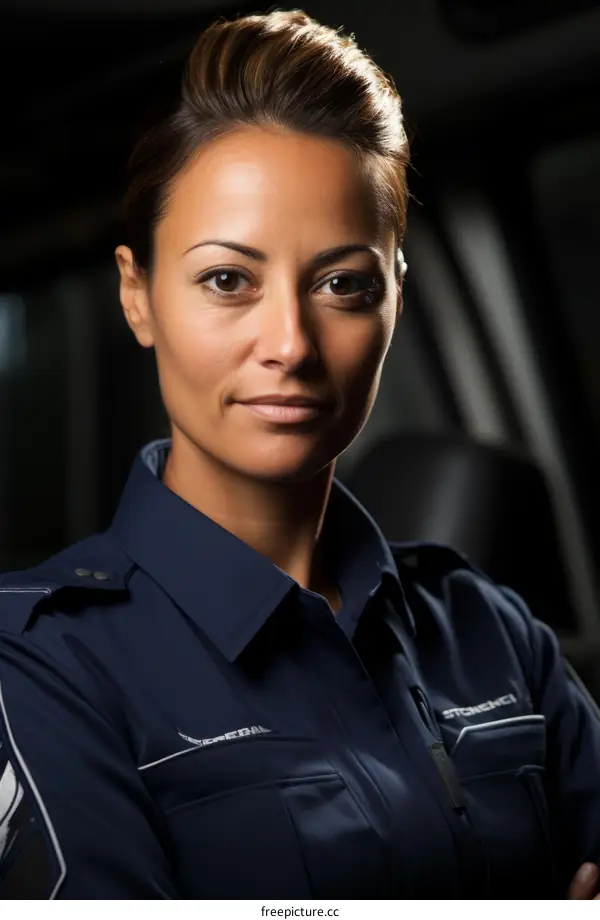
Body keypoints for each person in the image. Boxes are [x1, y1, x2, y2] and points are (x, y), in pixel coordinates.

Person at [0, 8, 599, 901]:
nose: (290, 343)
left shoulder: (489, 630)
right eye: (227, 280)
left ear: (395, 298)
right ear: (139, 297)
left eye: (342, 285)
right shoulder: (38, 664)